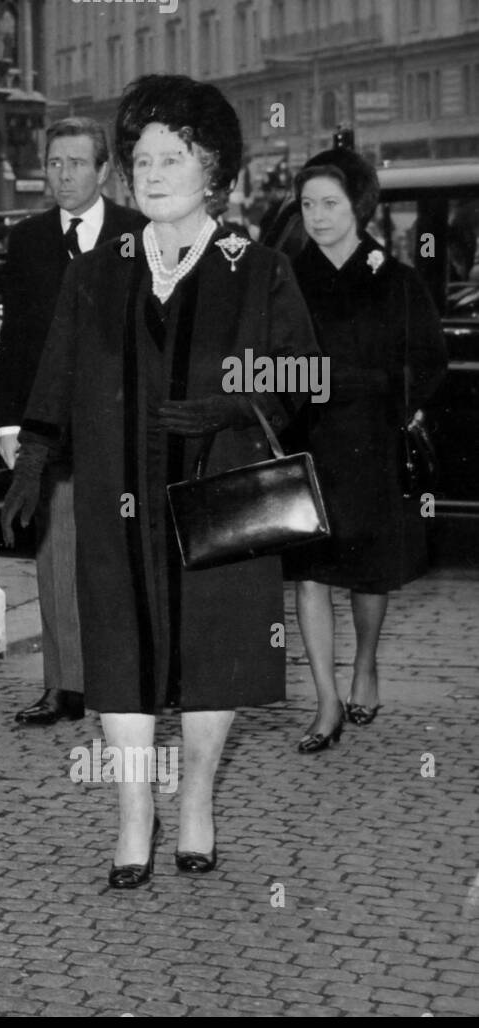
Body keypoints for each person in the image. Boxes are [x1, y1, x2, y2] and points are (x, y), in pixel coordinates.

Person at [4, 75, 320, 887]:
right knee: (121, 653)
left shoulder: (258, 268)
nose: (150, 172)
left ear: (212, 169)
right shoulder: (99, 269)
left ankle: (198, 804)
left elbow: (305, 375)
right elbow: (57, 373)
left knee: (214, 652)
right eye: (139, 159)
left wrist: (233, 404)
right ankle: (135, 815)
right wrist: (35, 458)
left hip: (219, 500)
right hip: (116, 501)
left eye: (170, 157)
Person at [283, 148, 448, 753]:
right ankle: (326, 699)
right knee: (308, 573)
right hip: (305, 444)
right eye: (307, 205)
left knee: (367, 572)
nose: (318, 217)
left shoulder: (395, 278)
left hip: (371, 443)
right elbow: (266, 361)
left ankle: (366, 665)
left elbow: (429, 360)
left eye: (330, 203)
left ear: (358, 205)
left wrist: (389, 401)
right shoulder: (287, 276)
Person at [0, 117, 145, 729]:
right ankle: (63, 687)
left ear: (104, 170)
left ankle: (121, 678)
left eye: (76, 164)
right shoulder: (28, 240)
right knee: (55, 558)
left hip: (118, 421)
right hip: (50, 426)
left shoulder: (137, 235)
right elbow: (15, 341)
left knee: (116, 555)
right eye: (54, 164)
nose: (62, 175)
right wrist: (10, 427)